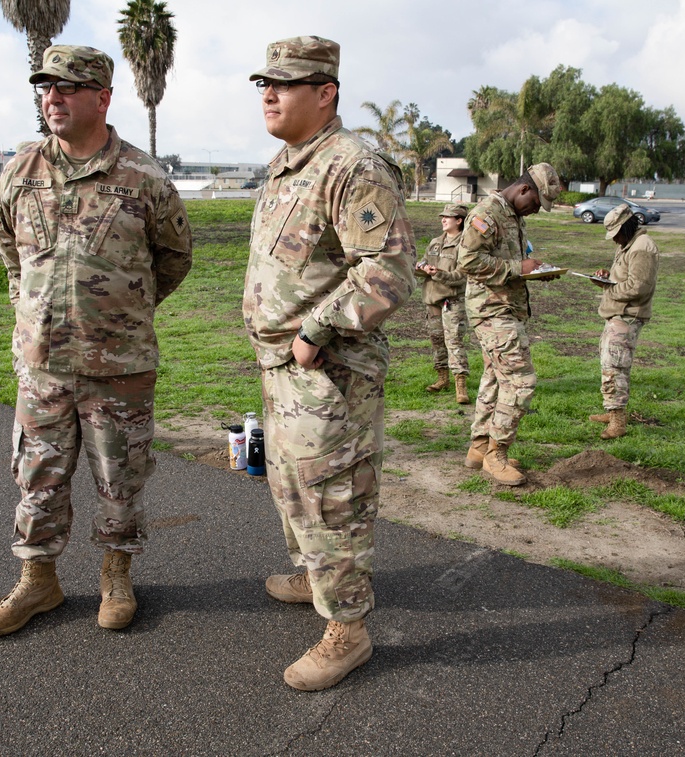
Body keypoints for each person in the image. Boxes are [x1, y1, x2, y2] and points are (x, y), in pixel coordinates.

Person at [0, 45, 192, 637]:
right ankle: (38, 581)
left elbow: (174, 258)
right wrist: (30, 307)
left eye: (68, 88)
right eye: (46, 88)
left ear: (102, 98)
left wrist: (125, 312)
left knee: (119, 477)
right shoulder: (19, 171)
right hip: (42, 364)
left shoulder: (144, 177)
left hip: (118, 366)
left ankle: (116, 573)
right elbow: (7, 248)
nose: (53, 98)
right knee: (37, 475)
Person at [243, 36, 416, 691]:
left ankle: (348, 629)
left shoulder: (353, 166)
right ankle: (315, 574)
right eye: (264, 82)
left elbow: (389, 270)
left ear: (326, 92)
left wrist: (316, 328)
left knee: (334, 497)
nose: (269, 92)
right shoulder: (289, 164)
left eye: (285, 83)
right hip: (284, 369)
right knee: (291, 484)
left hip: (330, 371)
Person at [458, 163, 563, 486]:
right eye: (535, 204)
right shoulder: (488, 213)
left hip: (507, 308)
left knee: (495, 376)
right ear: (524, 190)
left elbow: (506, 263)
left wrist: (533, 271)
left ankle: (479, 447)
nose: (535, 211)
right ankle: (497, 454)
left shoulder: (512, 216)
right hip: (492, 311)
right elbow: (468, 261)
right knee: (520, 381)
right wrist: (520, 267)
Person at [588, 203, 659, 439]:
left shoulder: (642, 247)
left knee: (615, 366)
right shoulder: (629, 243)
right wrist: (608, 278)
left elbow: (639, 286)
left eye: (616, 232)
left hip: (628, 315)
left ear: (626, 226)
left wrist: (609, 289)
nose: (614, 238)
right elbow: (626, 278)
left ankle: (617, 421)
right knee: (610, 363)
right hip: (618, 313)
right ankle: (613, 410)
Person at [418, 203, 471, 403]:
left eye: (448, 217)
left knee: (454, 341)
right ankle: (442, 378)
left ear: (459, 220)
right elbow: (424, 260)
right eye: (443, 216)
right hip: (432, 300)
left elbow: (462, 275)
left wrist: (438, 274)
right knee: (437, 340)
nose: (443, 219)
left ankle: (461, 384)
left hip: (452, 300)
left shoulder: (465, 245)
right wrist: (422, 266)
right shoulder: (434, 242)